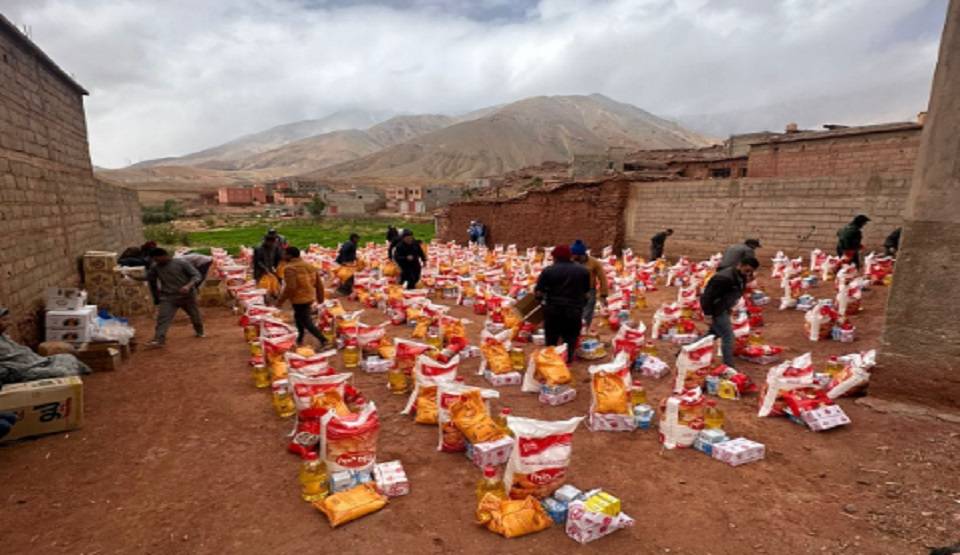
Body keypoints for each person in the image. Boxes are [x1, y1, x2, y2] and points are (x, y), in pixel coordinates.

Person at [0, 306, 90, 385]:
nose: (9, 323)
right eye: (4, 320)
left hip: (36, 361)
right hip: (24, 371)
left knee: (68, 358)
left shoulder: (3, 336)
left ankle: (75, 385)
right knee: (62, 372)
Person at [699, 256, 759, 369]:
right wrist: (707, 314)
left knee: (713, 334)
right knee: (728, 336)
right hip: (716, 310)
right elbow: (707, 297)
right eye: (747, 270)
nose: (749, 273)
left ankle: (686, 349)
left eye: (751, 271)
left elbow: (733, 293)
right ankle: (728, 366)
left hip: (723, 308)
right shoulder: (724, 278)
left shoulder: (740, 275)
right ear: (740, 265)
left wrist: (730, 307)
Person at [535, 245, 591, 363]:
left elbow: (539, 292)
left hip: (553, 310)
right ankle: (568, 359)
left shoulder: (548, 271)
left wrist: (540, 304)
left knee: (551, 338)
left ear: (554, 257)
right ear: (570, 256)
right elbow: (586, 292)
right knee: (570, 337)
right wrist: (581, 305)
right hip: (574, 310)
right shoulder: (583, 271)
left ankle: (552, 362)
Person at [146, 248, 204, 347]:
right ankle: (159, 339)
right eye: (154, 260)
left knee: (195, 316)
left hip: (187, 296)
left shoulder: (182, 263)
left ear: (164, 256)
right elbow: (149, 277)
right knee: (163, 318)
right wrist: (132, 276)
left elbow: (196, 275)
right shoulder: (156, 267)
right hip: (168, 297)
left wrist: (188, 286)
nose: (156, 261)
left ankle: (199, 331)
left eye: (157, 259)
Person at [276, 246, 327, 348]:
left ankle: (323, 340)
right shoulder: (309, 265)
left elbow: (291, 287)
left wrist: (280, 301)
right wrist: (320, 297)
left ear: (290, 255)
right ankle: (300, 337)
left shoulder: (290, 268)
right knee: (298, 317)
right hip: (309, 296)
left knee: (306, 321)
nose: (283, 255)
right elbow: (319, 284)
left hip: (299, 299)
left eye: (285, 253)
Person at [570, 239, 608, 331]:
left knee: (587, 313)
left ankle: (583, 331)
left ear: (581, 254)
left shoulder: (594, 263)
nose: (572, 256)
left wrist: (603, 294)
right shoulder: (571, 262)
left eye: (574, 254)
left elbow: (602, 278)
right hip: (573, 291)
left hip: (589, 291)